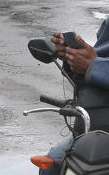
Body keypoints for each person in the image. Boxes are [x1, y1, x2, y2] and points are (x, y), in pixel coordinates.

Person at [41, 26, 109, 174]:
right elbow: (90, 75)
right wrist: (72, 58)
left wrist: (95, 66)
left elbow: (96, 66)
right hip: (93, 130)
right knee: (51, 166)